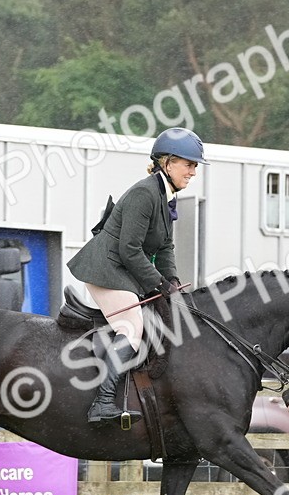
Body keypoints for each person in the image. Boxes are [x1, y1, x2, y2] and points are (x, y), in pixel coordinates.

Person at [66, 127, 206, 424]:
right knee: (130, 327)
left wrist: (173, 283)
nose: (193, 172)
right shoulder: (145, 193)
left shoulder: (165, 196)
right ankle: (102, 402)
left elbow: (165, 247)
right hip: (104, 267)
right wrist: (157, 283)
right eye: (189, 164)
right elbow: (129, 250)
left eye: (195, 166)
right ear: (167, 163)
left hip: (121, 268)